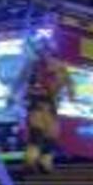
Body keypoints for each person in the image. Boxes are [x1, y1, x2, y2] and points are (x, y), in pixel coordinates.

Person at [23, 41, 71, 173]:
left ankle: (38, 161)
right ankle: (38, 162)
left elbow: (65, 83)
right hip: (42, 107)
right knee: (42, 135)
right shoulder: (54, 67)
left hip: (41, 106)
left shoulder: (34, 66)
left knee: (45, 136)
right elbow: (66, 83)